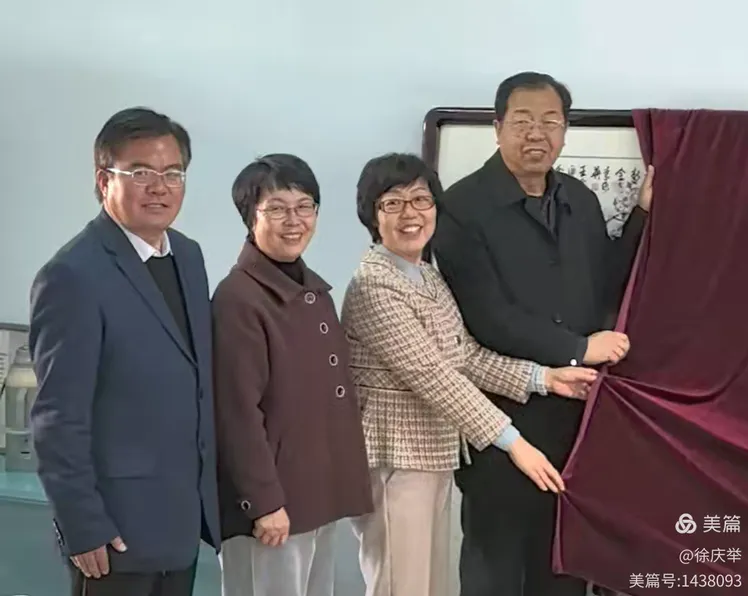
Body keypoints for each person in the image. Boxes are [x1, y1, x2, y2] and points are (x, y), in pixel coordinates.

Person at [431, 72, 655, 596]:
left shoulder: (579, 198)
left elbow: (606, 282)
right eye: (523, 121)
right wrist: (577, 349)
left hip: (576, 423)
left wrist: (643, 214)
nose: (537, 133)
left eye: (551, 121)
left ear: (564, 131)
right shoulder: (461, 208)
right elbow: (486, 316)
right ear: (497, 128)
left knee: (563, 569)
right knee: (496, 570)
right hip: (503, 422)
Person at [341, 153, 600, 596]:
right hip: (394, 462)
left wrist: (545, 378)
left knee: (428, 586)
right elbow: (436, 378)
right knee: (400, 587)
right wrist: (515, 443)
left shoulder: (425, 275)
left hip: (432, 457)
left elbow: (467, 358)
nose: (410, 214)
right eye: (393, 203)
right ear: (372, 216)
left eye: (421, 200)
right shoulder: (374, 286)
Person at [28, 107, 220, 596]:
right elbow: (57, 418)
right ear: (103, 180)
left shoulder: (188, 256)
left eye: (172, 173)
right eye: (140, 173)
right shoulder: (73, 275)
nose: (159, 187)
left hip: (180, 520)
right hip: (114, 532)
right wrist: (81, 524)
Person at [211, 154, 373, 596]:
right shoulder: (238, 298)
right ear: (250, 216)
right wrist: (264, 502)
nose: (294, 220)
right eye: (277, 208)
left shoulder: (312, 292)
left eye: (305, 206)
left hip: (313, 494)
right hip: (271, 506)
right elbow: (236, 414)